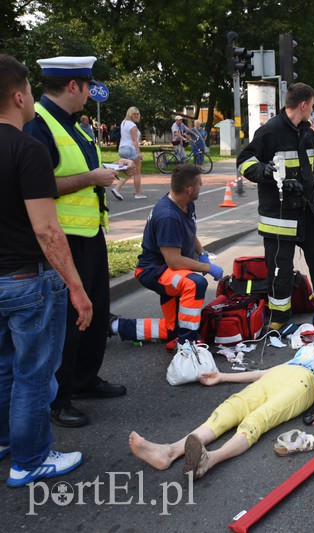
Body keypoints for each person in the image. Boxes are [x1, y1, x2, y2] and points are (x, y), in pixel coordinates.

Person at [0, 54, 93, 487]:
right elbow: (47, 230)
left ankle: (7, 440)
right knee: (34, 374)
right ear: (19, 97)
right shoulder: (26, 148)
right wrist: (76, 287)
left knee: (3, 367)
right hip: (25, 280)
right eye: (31, 92)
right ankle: (32, 458)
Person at [23, 56, 129, 429]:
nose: (90, 92)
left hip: (88, 235)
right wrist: (91, 178)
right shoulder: (38, 126)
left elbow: (82, 173)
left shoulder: (74, 125)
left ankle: (84, 381)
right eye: (87, 85)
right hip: (61, 238)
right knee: (68, 320)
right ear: (73, 86)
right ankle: (59, 398)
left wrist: (109, 174)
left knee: (96, 311)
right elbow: (40, 187)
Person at [129, 347, 314, 480]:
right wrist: (223, 376)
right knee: (230, 408)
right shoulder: (307, 347)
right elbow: (265, 372)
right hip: (276, 375)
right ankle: (169, 451)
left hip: (305, 383)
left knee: (256, 420)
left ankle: (210, 459)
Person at [236, 83, 314, 331]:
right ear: (303, 104)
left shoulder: (309, 133)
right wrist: (266, 172)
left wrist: (310, 174)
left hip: (308, 211)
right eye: (312, 105)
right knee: (280, 270)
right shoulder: (270, 131)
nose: (312, 110)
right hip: (279, 216)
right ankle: (279, 318)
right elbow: (244, 162)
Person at [109, 163, 223, 350]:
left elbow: (190, 231)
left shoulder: (186, 204)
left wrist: (202, 254)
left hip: (170, 271)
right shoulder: (168, 216)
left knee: (172, 330)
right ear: (189, 189)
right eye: (200, 184)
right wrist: (208, 268)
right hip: (155, 271)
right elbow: (174, 260)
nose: (201, 186)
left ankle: (116, 326)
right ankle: (187, 343)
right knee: (195, 284)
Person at [111, 106, 146, 200]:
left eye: (137, 114)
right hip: (131, 149)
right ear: (130, 114)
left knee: (128, 170)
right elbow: (135, 141)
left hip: (122, 148)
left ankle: (116, 187)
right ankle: (137, 193)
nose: (136, 115)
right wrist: (139, 153)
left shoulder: (123, 123)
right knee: (136, 172)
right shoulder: (132, 126)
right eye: (134, 114)